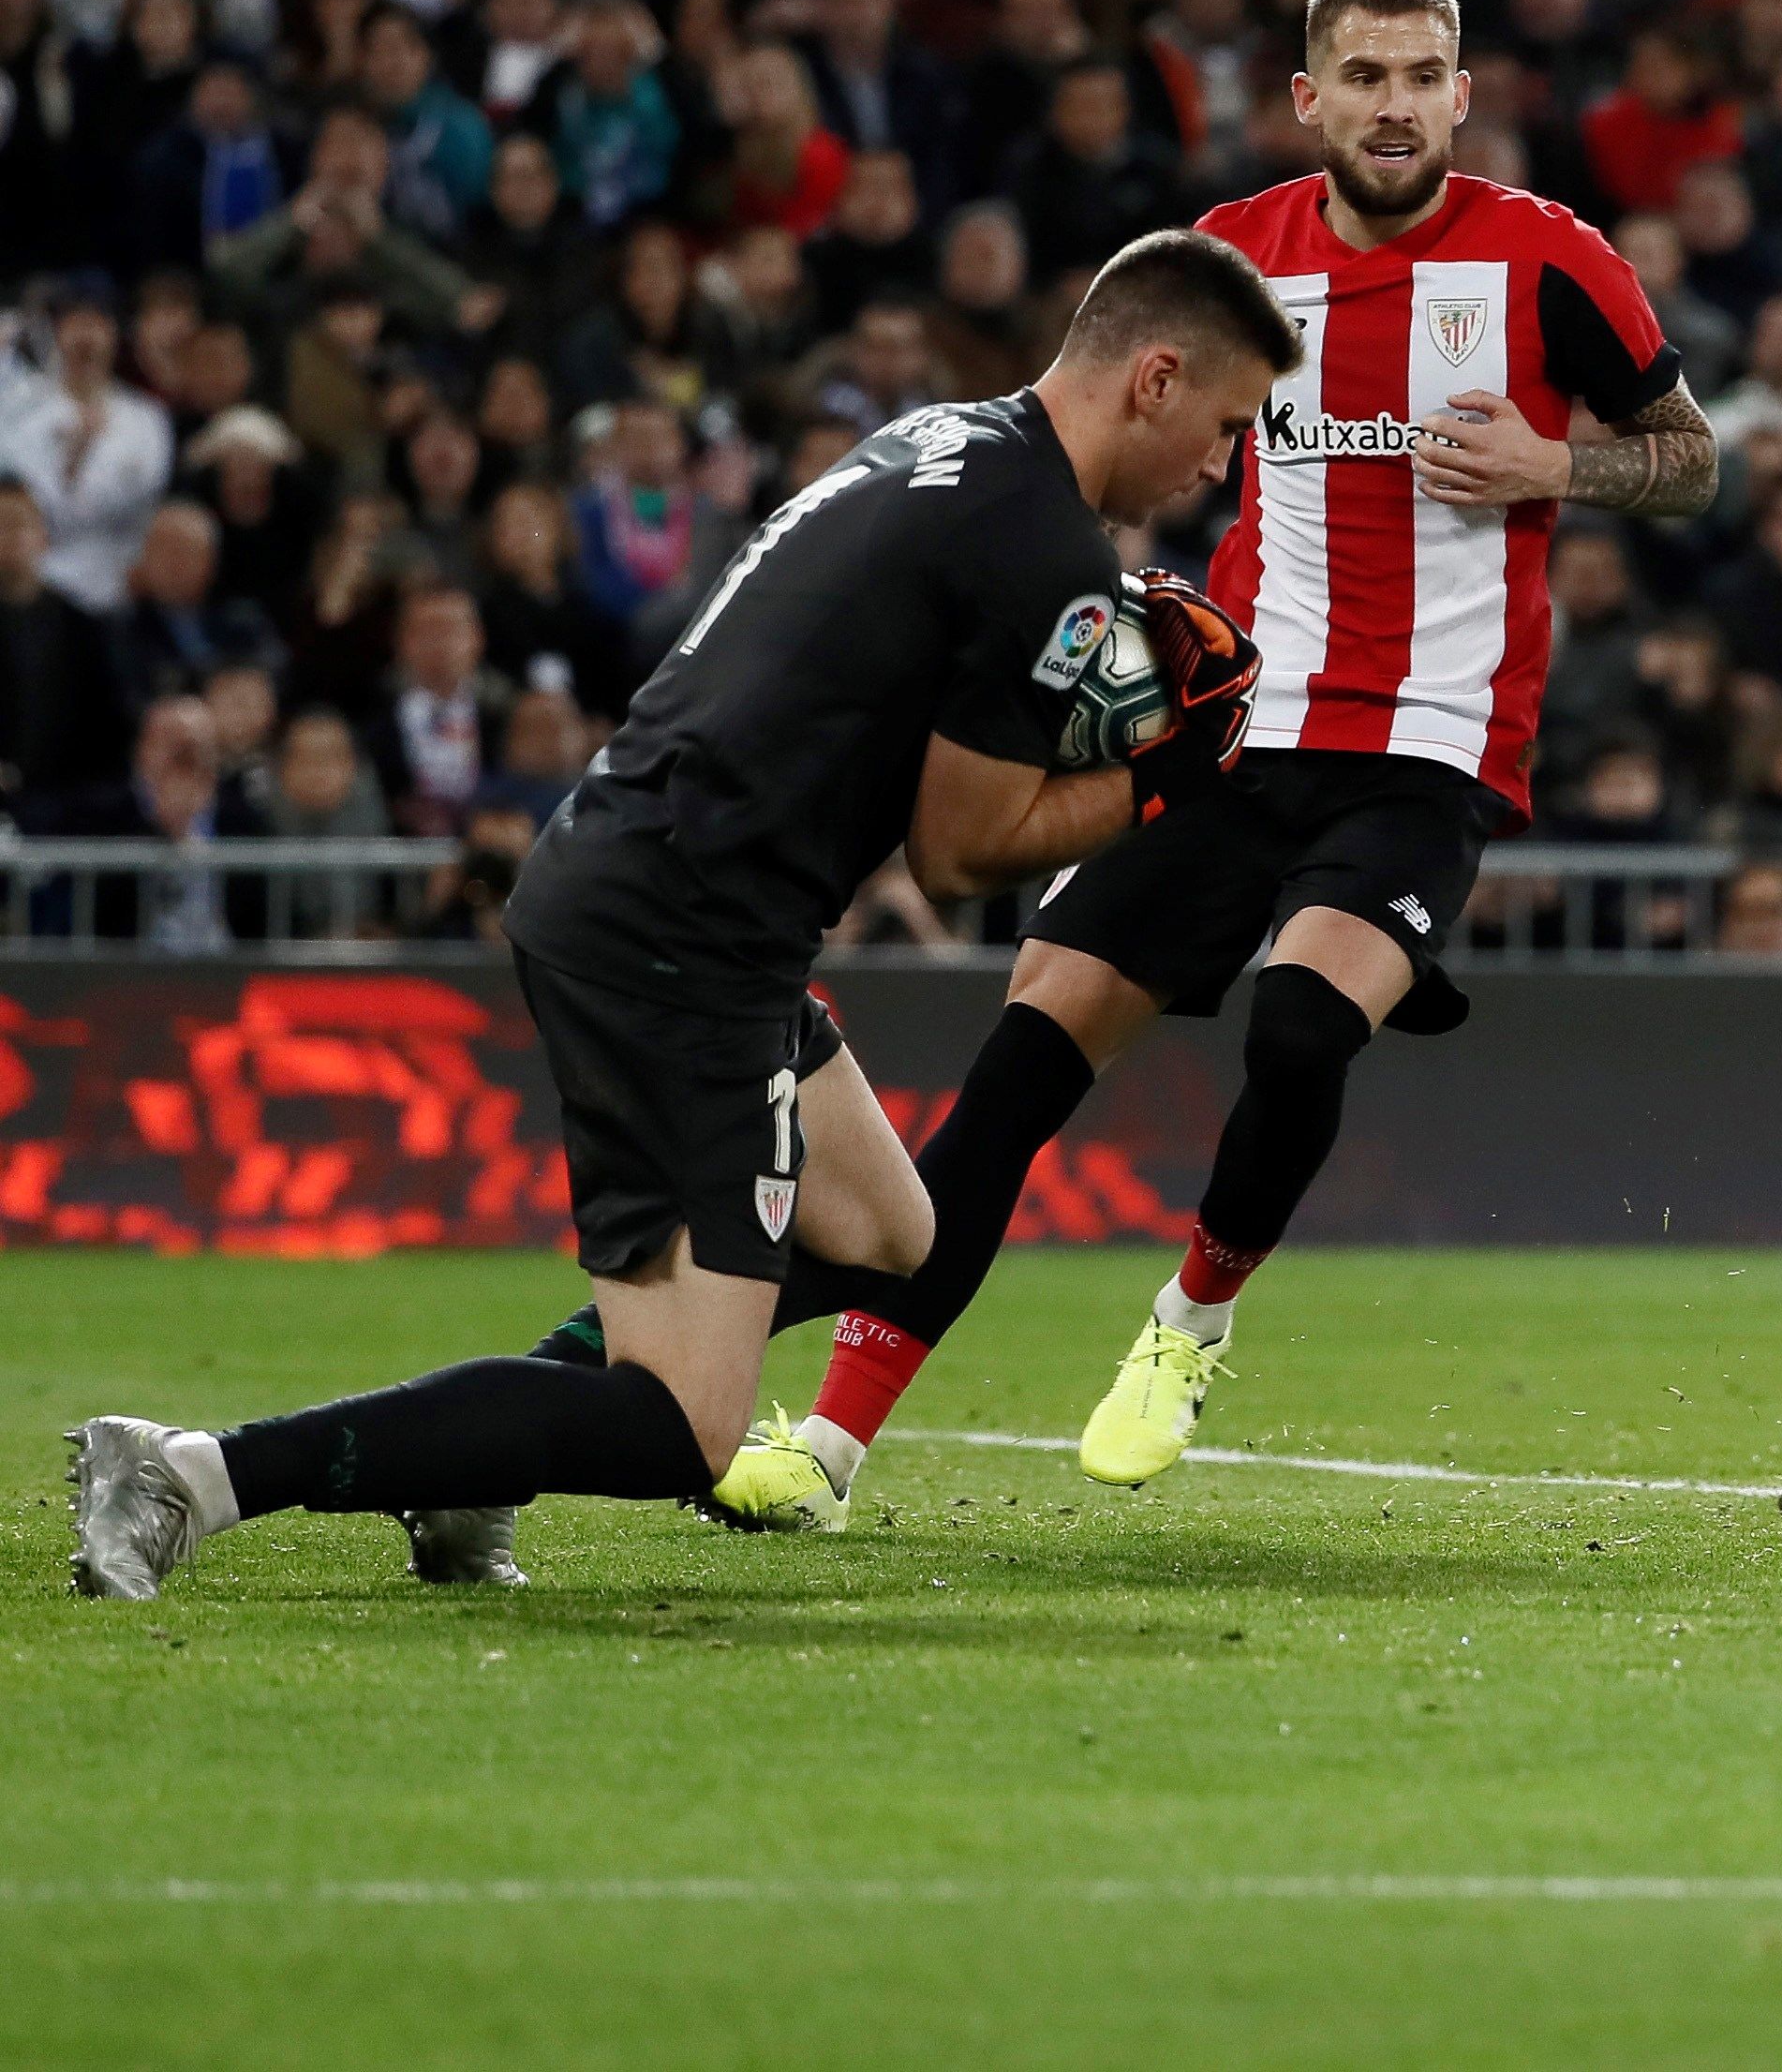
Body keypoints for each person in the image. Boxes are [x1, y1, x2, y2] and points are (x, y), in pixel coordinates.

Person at [63, 232, 1297, 1599]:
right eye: (1226, 424)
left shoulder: (947, 439)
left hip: (666, 884)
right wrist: (1164, 779)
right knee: (685, 1428)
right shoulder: (1041, 548)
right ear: (1155, 379)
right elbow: (960, 854)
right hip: (683, 934)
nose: (1222, 465)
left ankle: (467, 1467)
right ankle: (193, 1475)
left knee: (890, 1233)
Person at [714, 0, 1715, 1529]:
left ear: (1464, 94)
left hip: (1429, 747)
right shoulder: (1230, 261)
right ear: (1308, 98)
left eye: (1424, 76)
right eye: (1364, 77)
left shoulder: (1548, 259)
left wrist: (1558, 464)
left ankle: (1191, 1322)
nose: (1396, 105)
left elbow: (1692, 459)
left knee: (1303, 1030)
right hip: (1228, 730)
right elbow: (1095, 438)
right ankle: (828, 1449)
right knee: (1016, 1076)